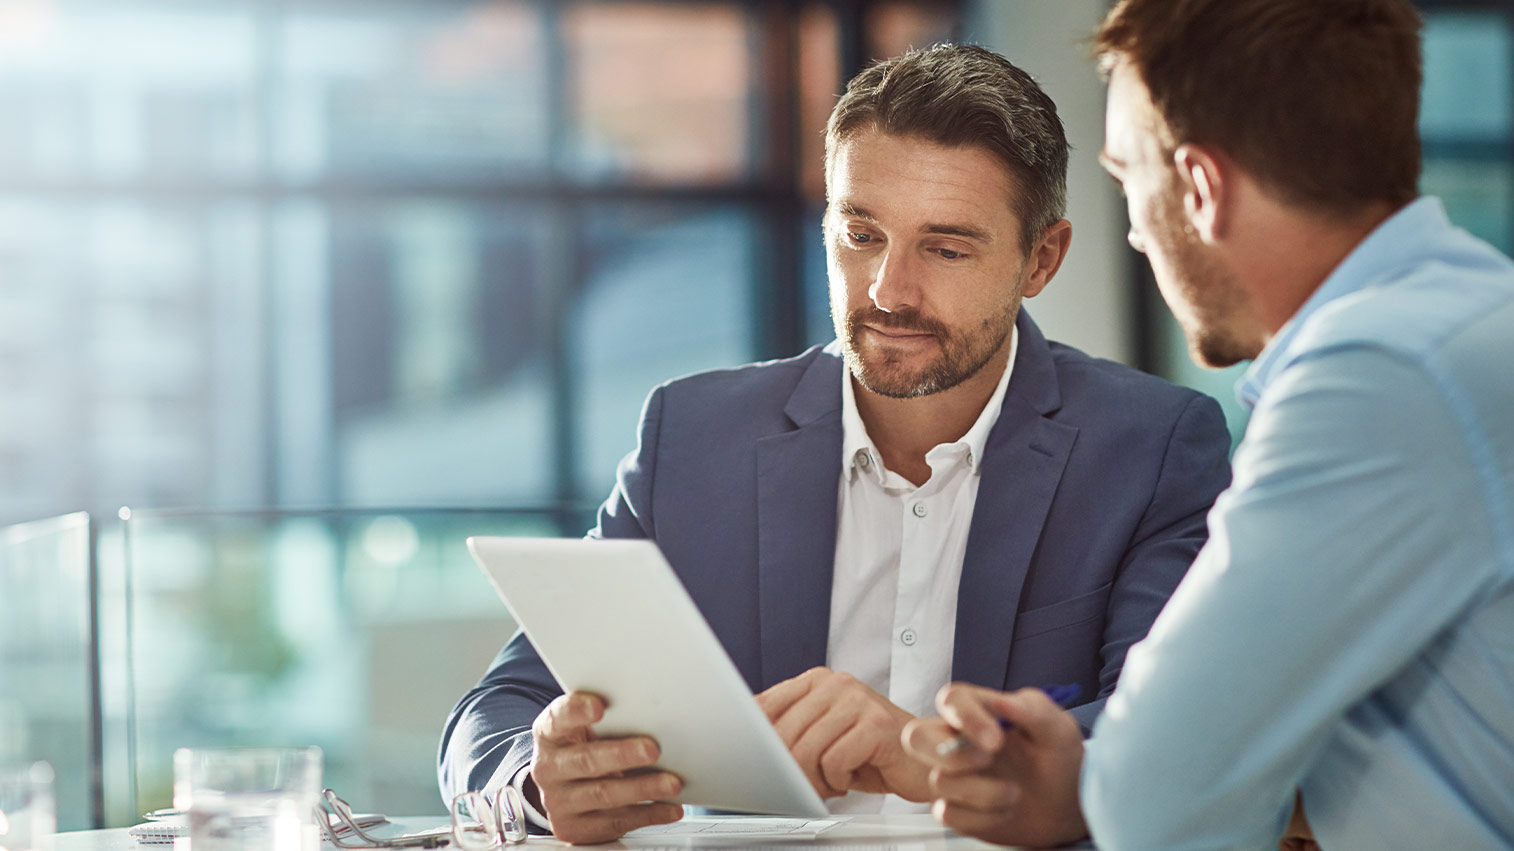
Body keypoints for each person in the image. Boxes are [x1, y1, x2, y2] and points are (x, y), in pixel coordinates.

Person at [440, 44, 1233, 845]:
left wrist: (920, 751)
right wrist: (537, 781)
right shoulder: (694, 437)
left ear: (1041, 259)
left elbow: (1175, 736)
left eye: (946, 249)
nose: (889, 290)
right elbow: (496, 710)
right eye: (860, 235)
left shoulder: (1153, 447)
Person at [902, 2, 1514, 849]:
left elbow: (1156, 796)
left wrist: (1094, 782)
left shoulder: (1377, 373)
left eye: (1128, 181)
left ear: (1200, 188)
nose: (1132, 232)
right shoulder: (1469, 317)